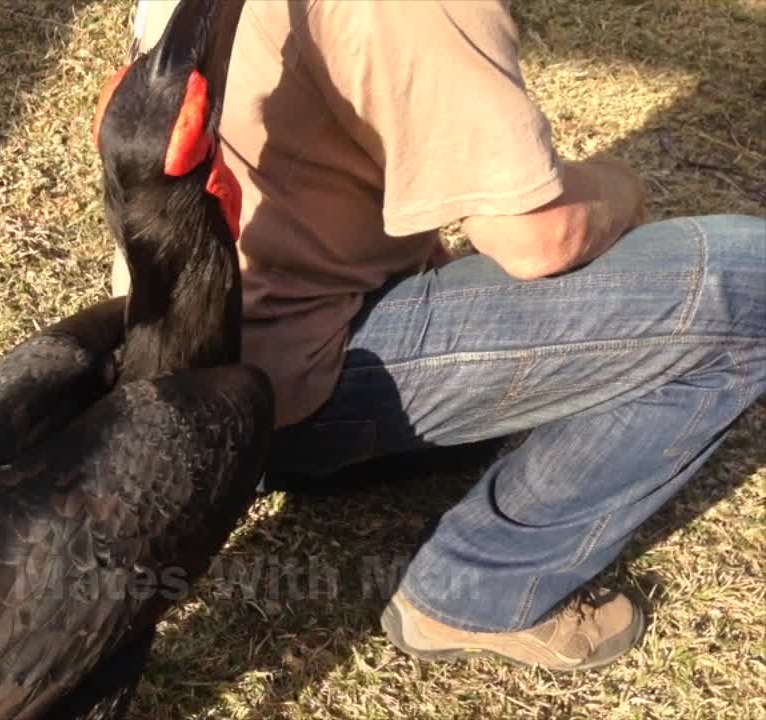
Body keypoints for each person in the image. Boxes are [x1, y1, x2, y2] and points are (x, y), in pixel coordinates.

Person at [114, 0, 765, 671]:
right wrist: (622, 189)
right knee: (748, 284)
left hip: (183, 354)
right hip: (290, 385)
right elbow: (538, 239)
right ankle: (483, 588)